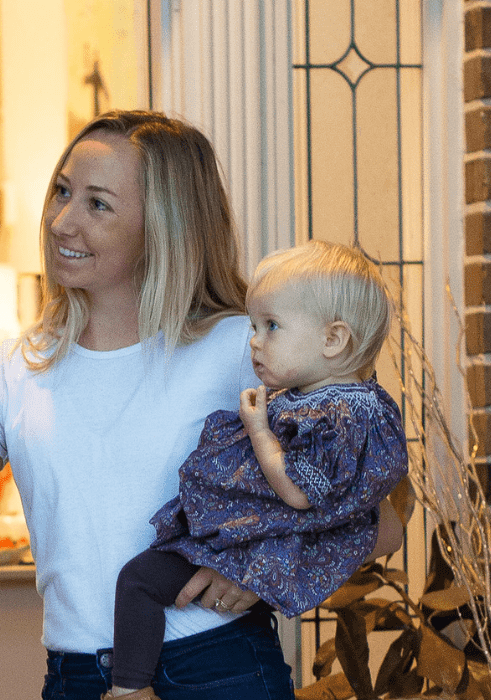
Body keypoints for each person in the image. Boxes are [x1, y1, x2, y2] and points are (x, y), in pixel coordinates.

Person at [0, 111, 404, 700]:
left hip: (219, 670)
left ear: (164, 226)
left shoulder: (247, 352)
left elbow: (380, 521)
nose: (61, 221)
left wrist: (257, 568)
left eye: (97, 204)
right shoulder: (11, 371)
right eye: (62, 192)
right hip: (77, 681)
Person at [107, 240, 408, 700]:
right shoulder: (328, 402)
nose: (254, 340)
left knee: (139, 582)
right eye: (254, 325)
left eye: (271, 326)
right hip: (244, 541)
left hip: (243, 541)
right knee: (140, 581)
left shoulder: (340, 414)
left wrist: (259, 430)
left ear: (333, 339)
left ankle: (128, 691)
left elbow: (300, 492)